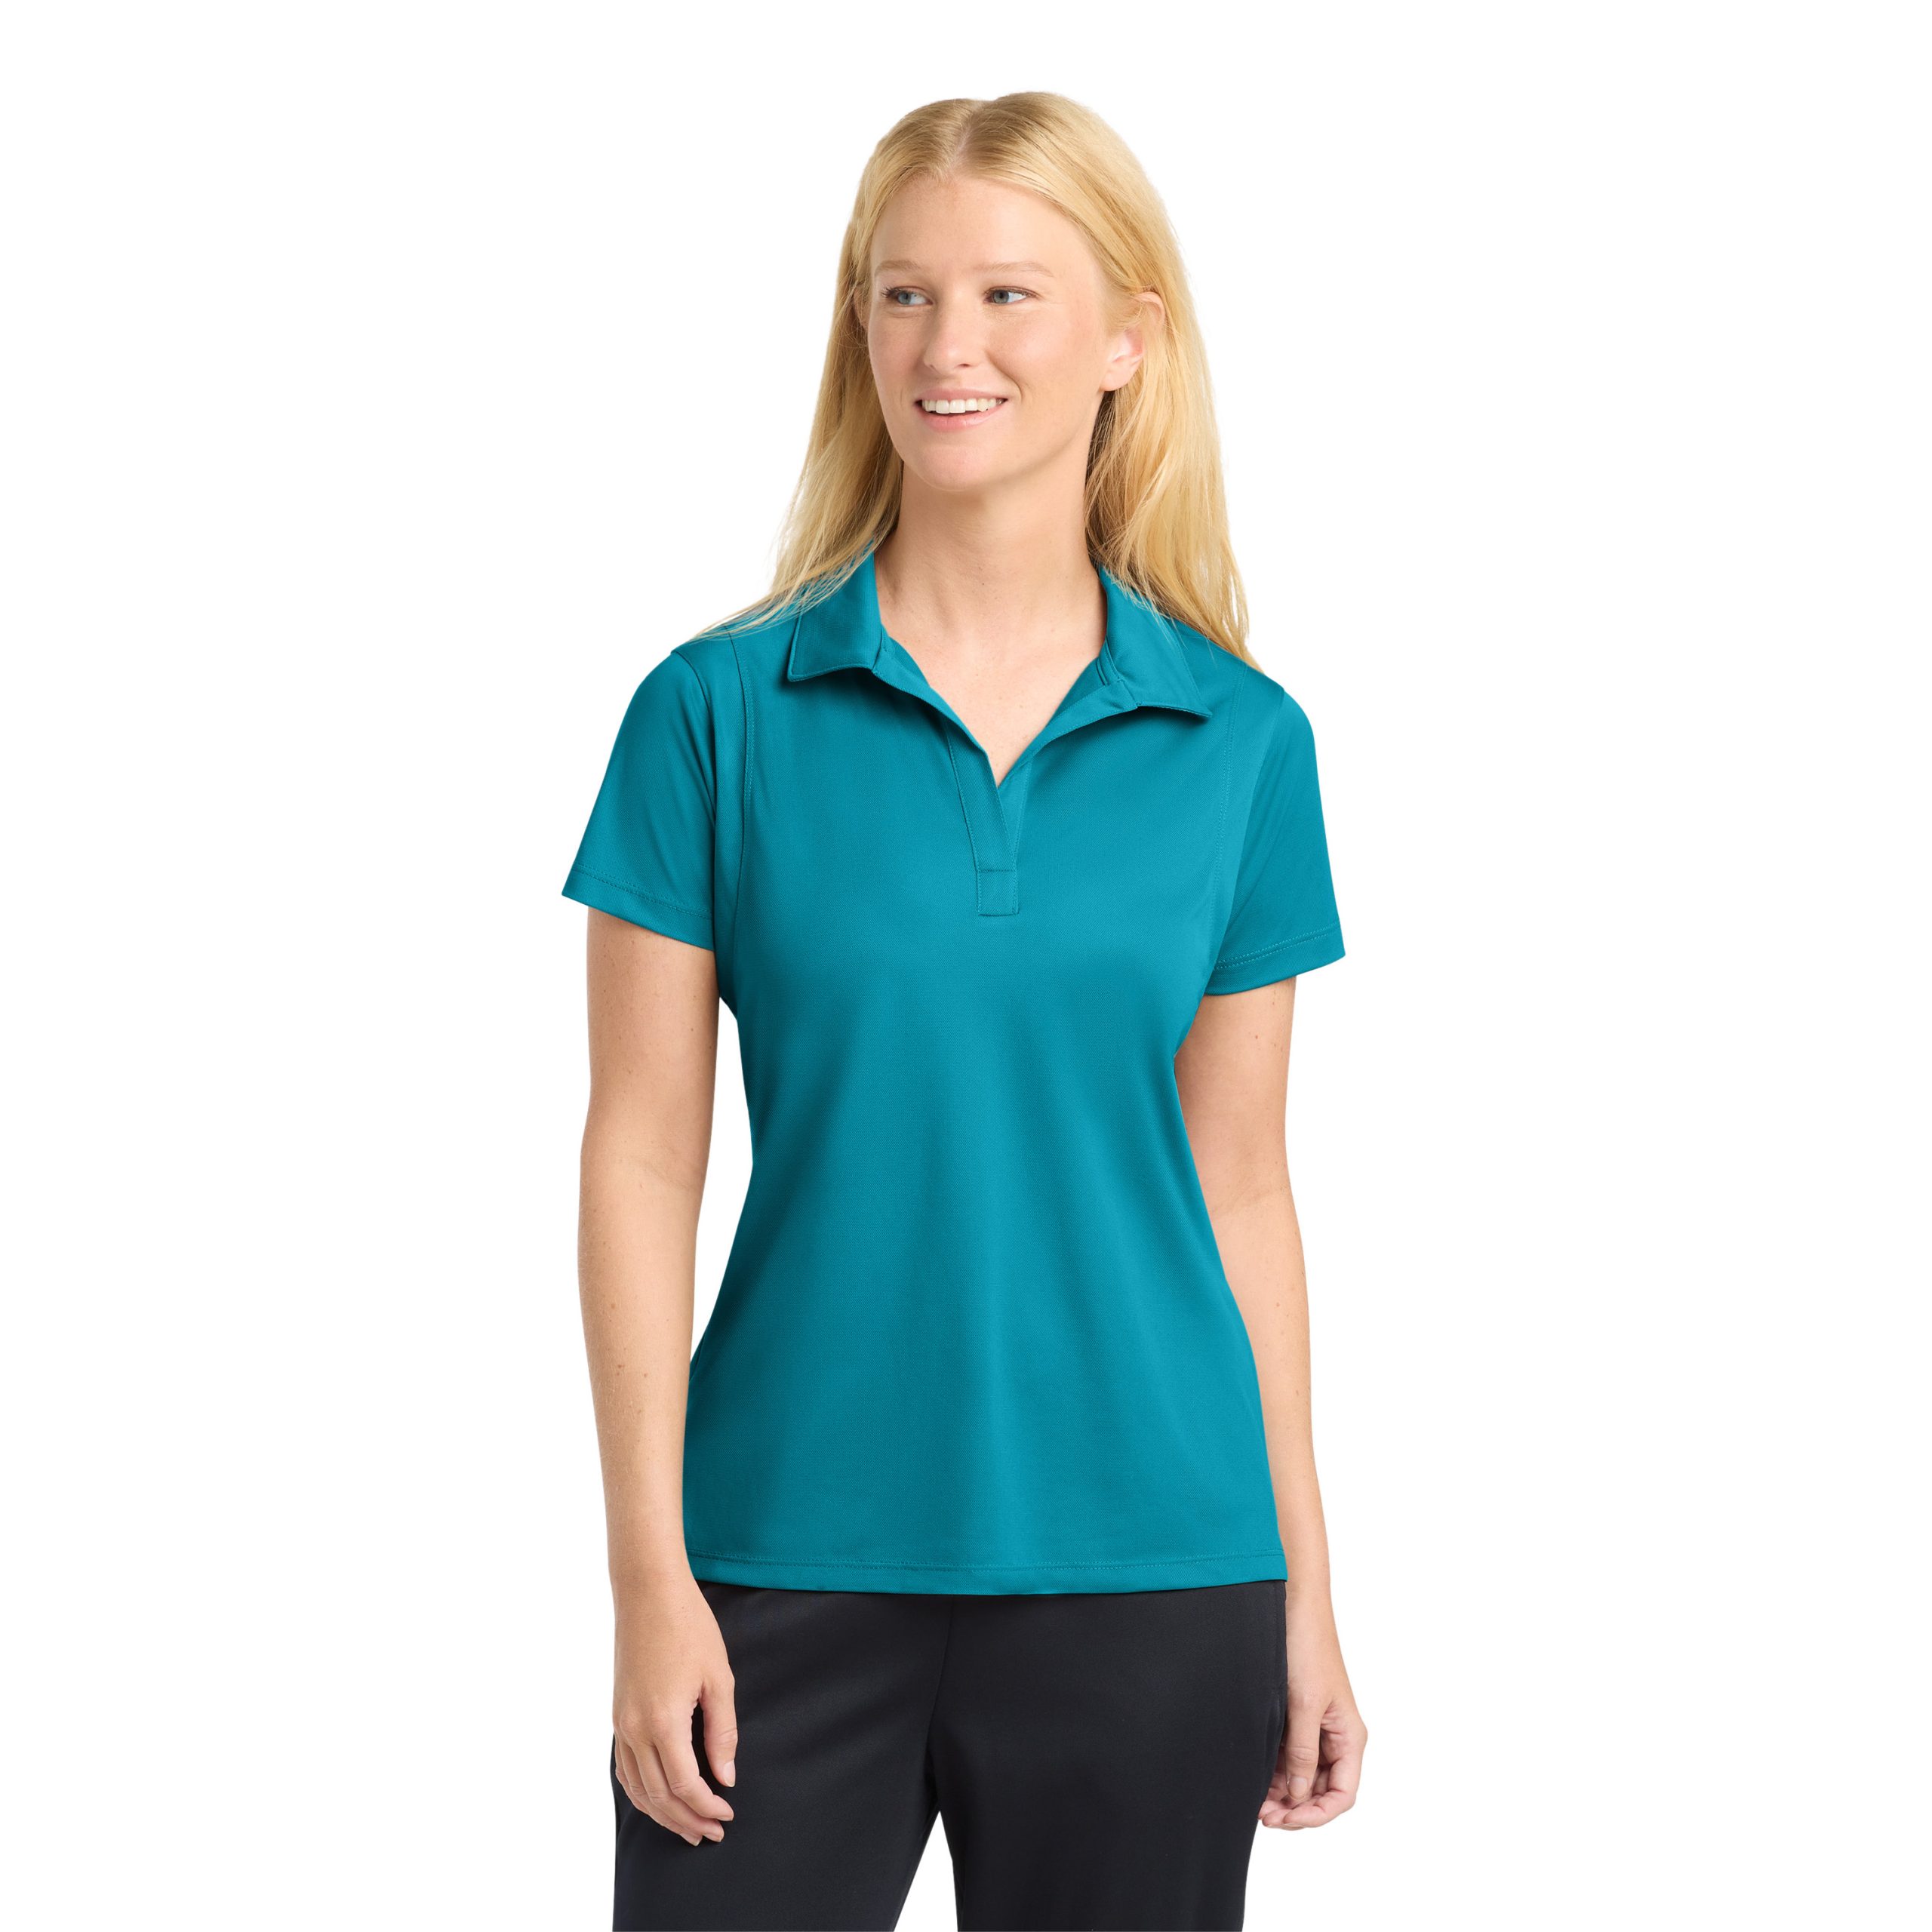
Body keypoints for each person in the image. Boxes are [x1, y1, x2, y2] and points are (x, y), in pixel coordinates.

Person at [563, 90, 1367, 1932]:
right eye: (904, 293)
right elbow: (639, 1157)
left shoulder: (1239, 741)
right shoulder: (712, 713)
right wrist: (645, 1576)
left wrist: (1306, 1587)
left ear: (1125, 341)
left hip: (1154, 1566)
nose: (949, 346)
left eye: (1010, 294)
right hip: (775, 1558)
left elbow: (1240, 1186)